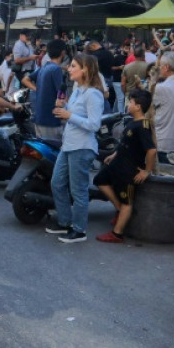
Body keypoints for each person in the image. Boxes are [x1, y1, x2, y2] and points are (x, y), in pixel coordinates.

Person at [45, 54, 105, 243]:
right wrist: (63, 107)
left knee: (78, 190)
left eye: (73, 66)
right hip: (68, 144)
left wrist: (68, 115)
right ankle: (65, 221)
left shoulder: (93, 94)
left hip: (82, 147)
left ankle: (79, 230)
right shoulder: (78, 90)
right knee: (57, 183)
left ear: (85, 69)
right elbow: (72, 114)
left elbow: (94, 124)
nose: (69, 69)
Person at [94, 88, 156, 244]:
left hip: (129, 169)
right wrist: (114, 154)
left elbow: (152, 150)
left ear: (138, 107)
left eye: (131, 102)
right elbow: (127, 143)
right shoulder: (132, 121)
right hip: (118, 163)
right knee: (100, 180)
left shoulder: (143, 126)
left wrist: (147, 171)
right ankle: (119, 209)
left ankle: (117, 233)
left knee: (127, 202)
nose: (128, 105)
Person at [31, 39, 67, 141]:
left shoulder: (44, 67)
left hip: (40, 117)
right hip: (51, 120)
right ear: (63, 52)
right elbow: (62, 95)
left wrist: (37, 89)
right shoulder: (56, 69)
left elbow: (26, 79)